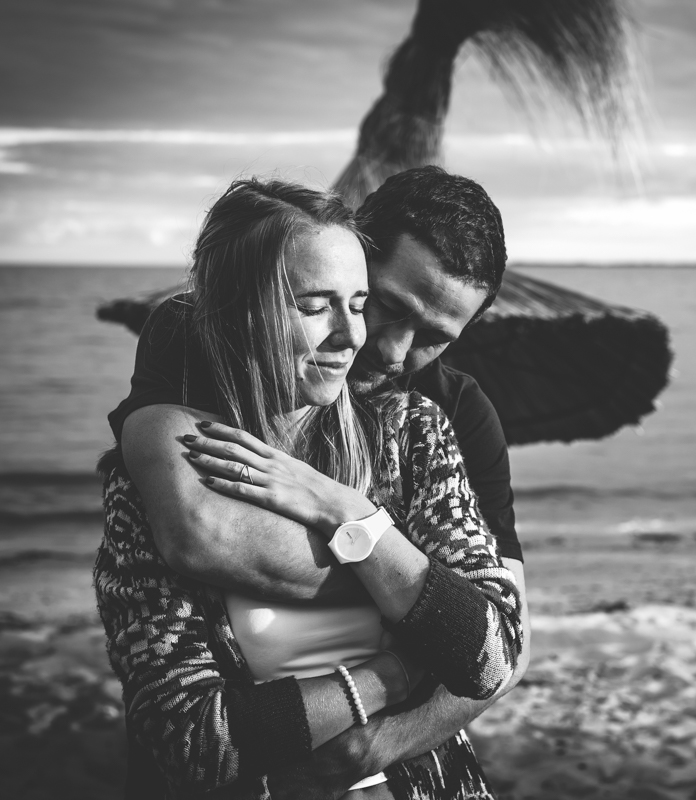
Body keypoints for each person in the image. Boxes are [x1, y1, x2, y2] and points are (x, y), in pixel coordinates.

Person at [95, 175, 526, 799]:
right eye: (388, 306)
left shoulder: (431, 423)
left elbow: (500, 649)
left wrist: (348, 512)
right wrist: (402, 646)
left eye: (434, 337)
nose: (386, 348)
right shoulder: (184, 356)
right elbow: (196, 533)